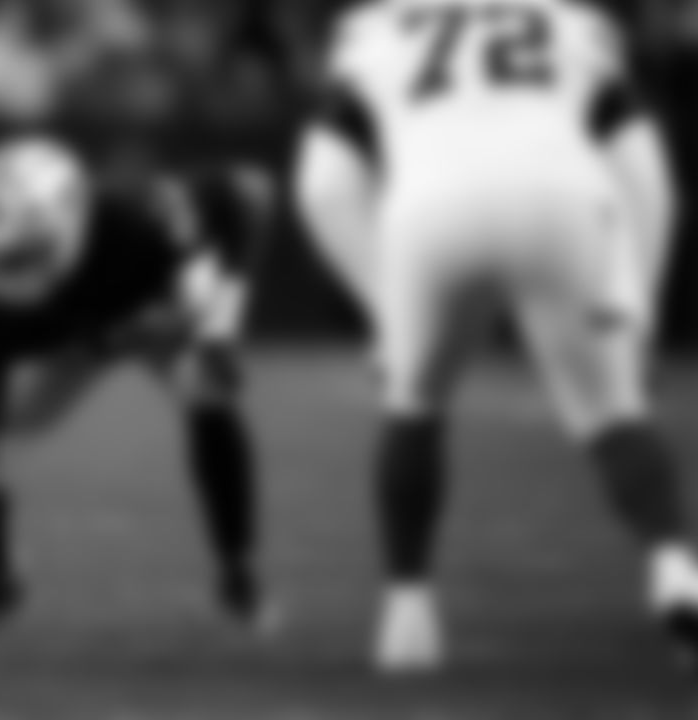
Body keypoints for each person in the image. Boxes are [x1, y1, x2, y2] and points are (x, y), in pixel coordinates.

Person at [295, 0, 698, 673]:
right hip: (565, 196)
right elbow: (646, 174)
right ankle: (676, 567)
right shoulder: (574, 25)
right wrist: (640, 303)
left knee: (413, 402)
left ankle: (408, 612)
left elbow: (323, 185)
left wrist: (385, 309)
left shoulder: (374, 31)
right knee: (611, 408)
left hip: (430, 205)